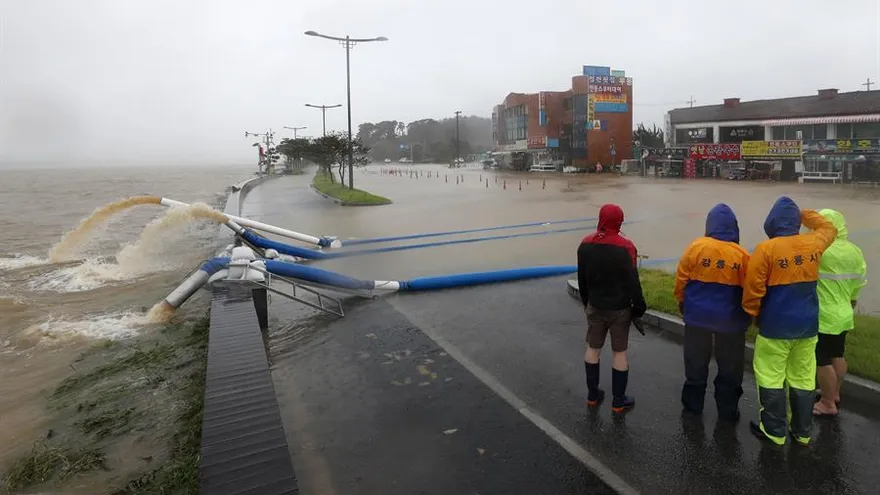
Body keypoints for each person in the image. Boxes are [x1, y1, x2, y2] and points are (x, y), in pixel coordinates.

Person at [742, 196, 837, 446]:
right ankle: (802, 431)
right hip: (807, 326)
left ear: (771, 222)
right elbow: (829, 227)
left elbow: (753, 290)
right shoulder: (813, 243)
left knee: (771, 377)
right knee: (804, 378)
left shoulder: (766, 249)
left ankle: (774, 431)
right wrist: (802, 213)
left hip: (775, 327)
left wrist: (752, 314)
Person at [674, 204, 751, 421]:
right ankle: (727, 411)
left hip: (697, 318)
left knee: (695, 363)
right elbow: (750, 291)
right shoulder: (743, 255)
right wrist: (750, 314)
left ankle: (692, 407)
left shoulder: (695, 248)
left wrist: (682, 303)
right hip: (731, 322)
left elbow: (681, 282)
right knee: (730, 367)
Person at [577, 203, 647, 413]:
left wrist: (586, 302)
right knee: (619, 353)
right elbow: (634, 283)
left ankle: (592, 395)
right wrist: (639, 309)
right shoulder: (626, 247)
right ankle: (618, 401)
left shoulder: (585, 244)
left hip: (595, 306)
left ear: (600, 219)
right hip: (620, 310)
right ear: (619, 221)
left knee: (593, 348)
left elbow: (582, 279)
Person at [813, 209, 867, 416]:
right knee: (838, 354)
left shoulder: (821, 249)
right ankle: (834, 393)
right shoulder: (855, 251)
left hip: (823, 315)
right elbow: (859, 282)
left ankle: (827, 403)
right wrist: (850, 302)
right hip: (844, 312)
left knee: (821, 359)